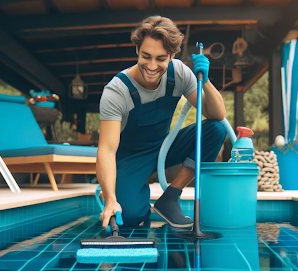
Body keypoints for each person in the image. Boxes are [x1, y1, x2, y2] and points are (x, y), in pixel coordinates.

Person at [97, 16, 227, 229]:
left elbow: (218, 114)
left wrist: (206, 81)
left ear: (172, 55)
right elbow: (106, 150)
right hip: (132, 158)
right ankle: (126, 190)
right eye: (146, 56)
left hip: (164, 148)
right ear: (137, 49)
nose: (152, 66)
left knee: (216, 130)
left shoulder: (180, 73)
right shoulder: (116, 91)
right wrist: (111, 198)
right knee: (130, 216)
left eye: (161, 59)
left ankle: (170, 197)